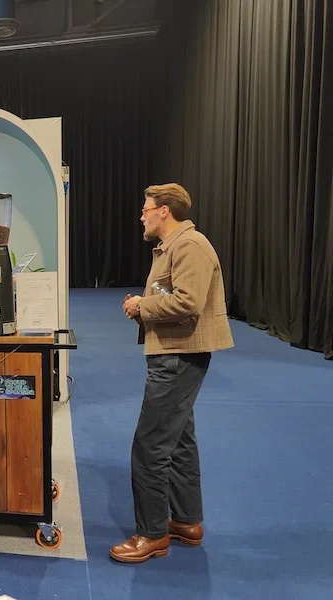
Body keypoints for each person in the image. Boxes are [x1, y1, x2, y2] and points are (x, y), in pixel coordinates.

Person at [111, 183, 234, 564]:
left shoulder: (189, 245)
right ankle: (186, 522)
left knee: (149, 447)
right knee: (179, 441)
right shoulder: (175, 247)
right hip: (176, 353)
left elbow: (188, 302)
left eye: (146, 209)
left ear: (164, 210)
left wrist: (141, 305)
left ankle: (151, 535)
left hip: (179, 357)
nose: (142, 215)